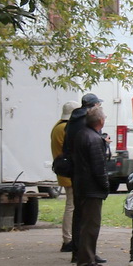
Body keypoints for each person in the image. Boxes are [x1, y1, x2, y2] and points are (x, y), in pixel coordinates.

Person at [70, 102, 110, 266]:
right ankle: (86, 260)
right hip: (91, 188)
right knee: (91, 225)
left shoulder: (82, 134)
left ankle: (85, 256)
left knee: (85, 223)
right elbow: (98, 167)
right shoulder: (94, 139)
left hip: (81, 184)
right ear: (100, 121)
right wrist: (106, 185)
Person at [49, 101, 78, 253]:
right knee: (71, 206)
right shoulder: (65, 128)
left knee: (71, 205)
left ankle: (69, 237)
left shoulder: (57, 126)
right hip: (69, 172)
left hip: (63, 170)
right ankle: (68, 238)